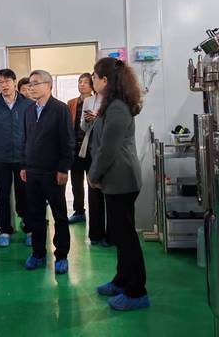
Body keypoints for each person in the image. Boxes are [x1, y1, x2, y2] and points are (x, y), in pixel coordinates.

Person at [88, 58, 149, 311]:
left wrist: (93, 175)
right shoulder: (111, 104)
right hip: (116, 179)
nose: (92, 80)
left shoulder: (117, 108)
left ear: (105, 80)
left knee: (126, 238)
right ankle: (122, 280)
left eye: (94, 76)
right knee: (120, 235)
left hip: (121, 179)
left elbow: (108, 149)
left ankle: (137, 292)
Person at [20, 70, 74, 274]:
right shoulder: (28, 110)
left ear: (49, 85)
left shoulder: (60, 109)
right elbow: (24, 140)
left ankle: (61, 255)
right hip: (32, 171)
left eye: (36, 83)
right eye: (30, 83)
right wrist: (24, 165)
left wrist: (63, 168)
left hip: (53, 172)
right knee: (35, 215)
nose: (31, 87)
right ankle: (38, 254)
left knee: (59, 215)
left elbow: (67, 141)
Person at [0, 69, 33, 247]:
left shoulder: (28, 104)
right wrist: (0, 143)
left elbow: (31, 130)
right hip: (1, 158)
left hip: (22, 158)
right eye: (0, 82)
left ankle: (29, 229)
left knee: (25, 195)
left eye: (7, 81)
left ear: (14, 82)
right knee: (3, 195)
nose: (4, 85)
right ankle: (5, 230)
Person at [80, 91, 112, 246]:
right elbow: (83, 126)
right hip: (92, 150)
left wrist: (98, 118)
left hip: (107, 150)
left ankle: (111, 235)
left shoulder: (113, 100)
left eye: (96, 79)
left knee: (110, 194)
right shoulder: (88, 100)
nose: (94, 81)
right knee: (93, 193)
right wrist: (88, 120)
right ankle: (95, 233)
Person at [66, 73, 94, 223]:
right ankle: (79, 211)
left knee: (92, 181)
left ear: (92, 85)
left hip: (90, 149)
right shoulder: (71, 103)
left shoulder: (97, 102)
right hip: (75, 148)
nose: (81, 84)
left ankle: (95, 212)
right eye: (79, 82)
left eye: (85, 82)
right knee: (76, 182)